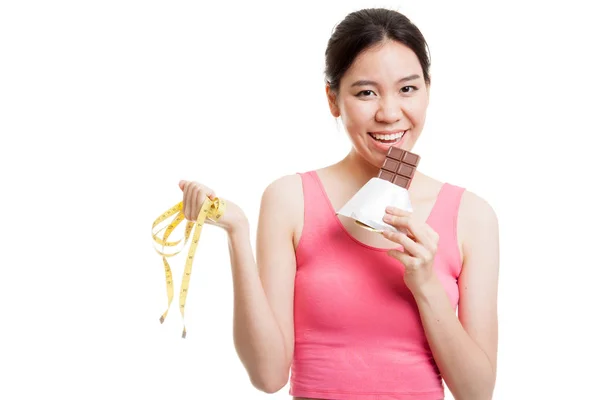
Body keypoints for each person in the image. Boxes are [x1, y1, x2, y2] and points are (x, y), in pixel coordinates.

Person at [179, 7, 499, 400]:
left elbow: (477, 392)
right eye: (366, 92)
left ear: (428, 91)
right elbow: (268, 376)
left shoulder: (472, 216)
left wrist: (426, 284)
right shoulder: (289, 200)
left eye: (408, 89)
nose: (389, 113)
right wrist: (236, 232)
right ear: (333, 99)